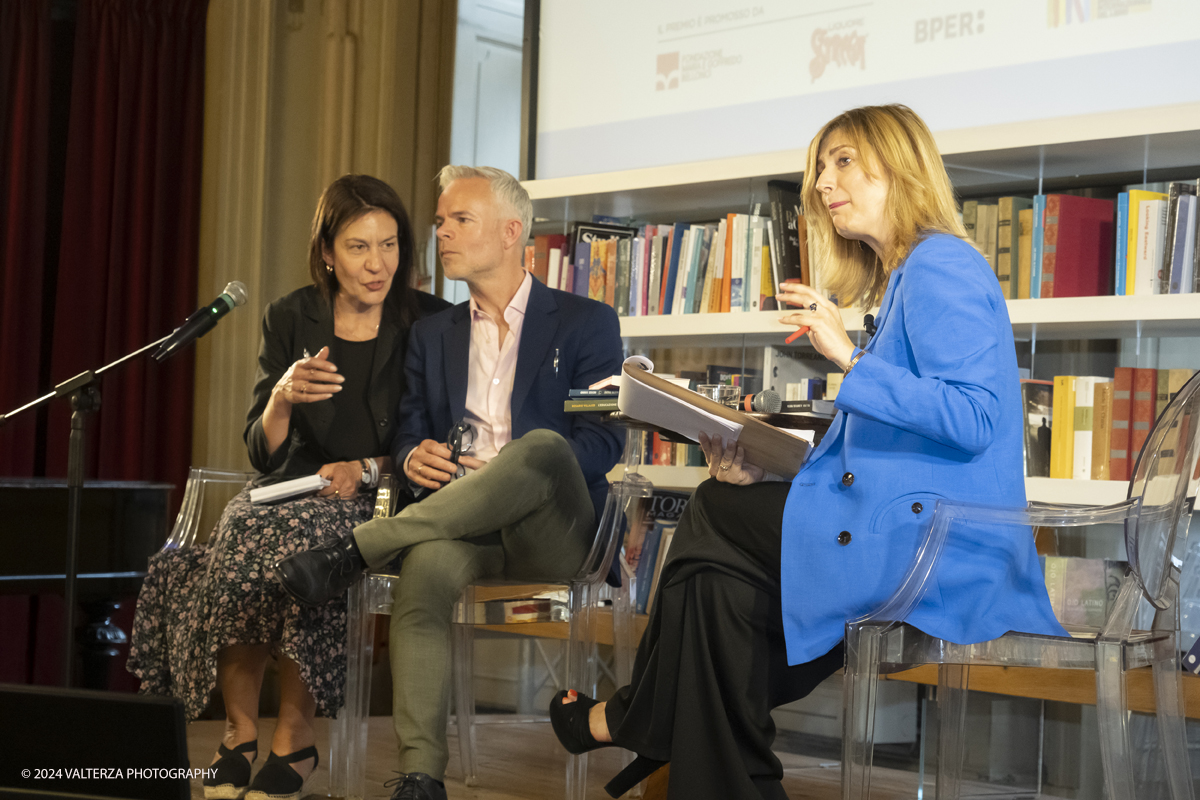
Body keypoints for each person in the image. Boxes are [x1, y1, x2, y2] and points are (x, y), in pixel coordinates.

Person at [548, 104, 1069, 800]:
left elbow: (974, 418)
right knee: (719, 587)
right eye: (820, 167)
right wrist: (768, 461)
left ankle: (645, 714)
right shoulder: (908, 275)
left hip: (942, 546)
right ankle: (675, 731)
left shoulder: (942, 265)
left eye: (844, 161)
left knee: (710, 509)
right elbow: (897, 441)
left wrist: (851, 357)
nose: (824, 182)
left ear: (900, 165)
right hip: (908, 523)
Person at [274, 165, 626, 800]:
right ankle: (419, 776)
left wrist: (512, 471)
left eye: (459, 220)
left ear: (511, 231)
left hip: (555, 530)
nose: (441, 233)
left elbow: (604, 444)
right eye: (438, 222)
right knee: (425, 573)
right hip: (464, 523)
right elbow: (408, 432)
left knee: (540, 448)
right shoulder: (433, 334)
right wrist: (411, 459)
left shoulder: (586, 322)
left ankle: (358, 549)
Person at [128, 174, 449, 800]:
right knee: (239, 529)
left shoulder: (428, 322)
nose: (377, 262)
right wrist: (280, 398)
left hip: (374, 495)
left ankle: (294, 737)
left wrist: (370, 467)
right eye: (359, 247)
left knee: (303, 552)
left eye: (389, 245)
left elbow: (433, 433)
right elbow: (260, 448)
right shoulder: (289, 316)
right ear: (328, 252)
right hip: (288, 489)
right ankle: (239, 732)